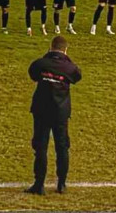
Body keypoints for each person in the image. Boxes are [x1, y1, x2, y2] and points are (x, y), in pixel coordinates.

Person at [25, 35, 82, 195]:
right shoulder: (70, 68)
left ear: (50, 47)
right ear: (65, 50)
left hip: (41, 110)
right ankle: (61, 184)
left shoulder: (41, 63)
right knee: (62, 147)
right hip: (61, 111)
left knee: (40, 147)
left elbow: (33, 74)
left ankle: (39, 184)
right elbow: (77, 76)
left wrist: (47, 57)